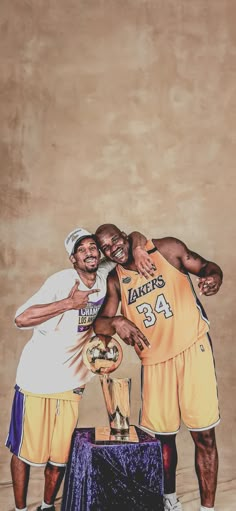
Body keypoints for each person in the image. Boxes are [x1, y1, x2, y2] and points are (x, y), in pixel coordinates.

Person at [6, 227, 152, 511]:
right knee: (25, 453)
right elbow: (21, 318)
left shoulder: (101, 272)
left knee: (59, 457)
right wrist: (68, 304)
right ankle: (20, 509)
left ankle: (47, 506)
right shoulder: (61, 281)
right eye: (81, 250)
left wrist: (137, 249)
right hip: (36, 379)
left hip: (71, 381)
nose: (90, 252)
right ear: (73, 259)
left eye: (92, 247)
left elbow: (131, 235)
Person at [94, 223, 223, 511]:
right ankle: (170, 501)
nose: (113, 247)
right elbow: (99, 324)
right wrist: (117, 321)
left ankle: (208, 508)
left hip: (193, 350)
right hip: (155, 363)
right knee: (161, 440)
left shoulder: (166, 249)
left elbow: (207, 267)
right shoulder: (115, 280)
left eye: (115, 239)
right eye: (105, 246)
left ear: (125, 236)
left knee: (204, 435)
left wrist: (214, 277)